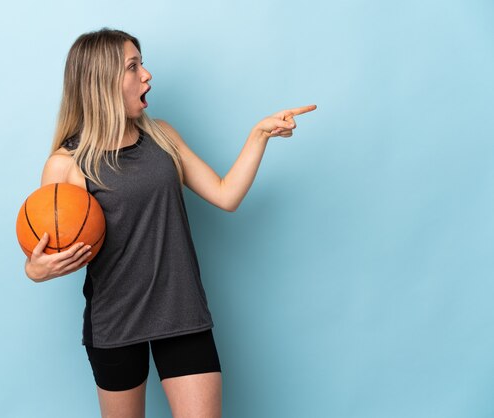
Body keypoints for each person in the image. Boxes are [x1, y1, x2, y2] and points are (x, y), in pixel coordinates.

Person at [24, 28, 316, 418]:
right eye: (133, 66)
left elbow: (226, 195)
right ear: (102, 81)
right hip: (114, 320)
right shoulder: (66, 164)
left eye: (141, 63)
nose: (146, 75)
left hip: (181, 311)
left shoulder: (163, 138)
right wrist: (35, 269)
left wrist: (259, 135)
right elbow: (45, 251)